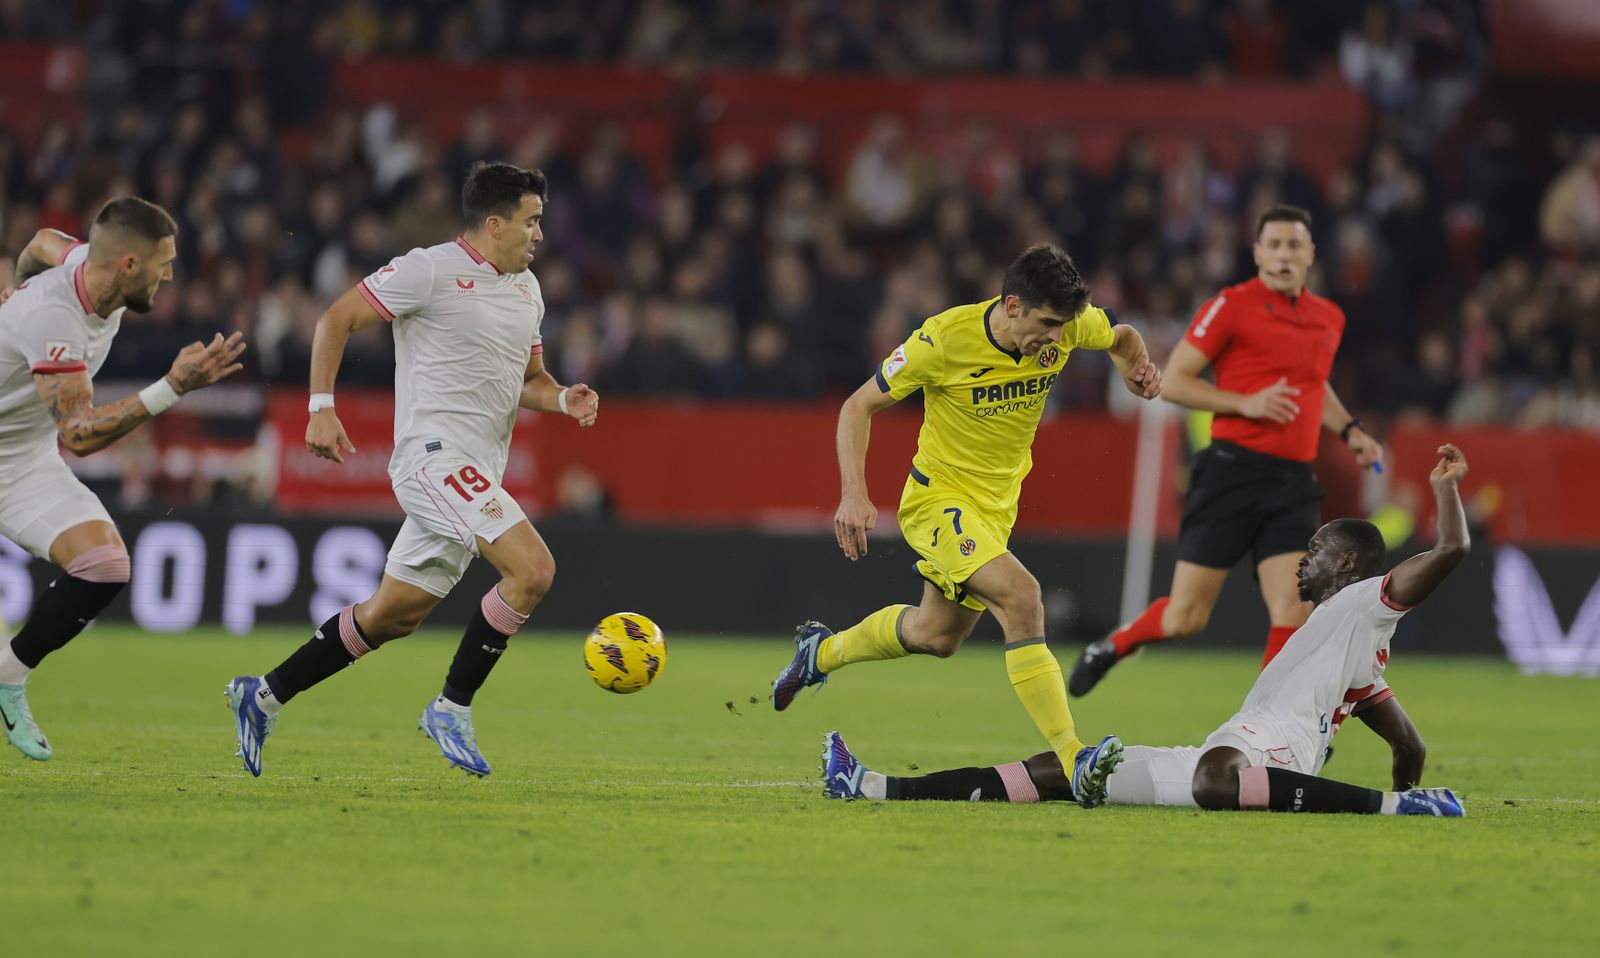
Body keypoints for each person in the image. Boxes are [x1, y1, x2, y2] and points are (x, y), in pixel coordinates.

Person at [821, 444, 1473, 818]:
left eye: (1319, 548)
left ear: (1354, 562)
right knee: (1069, 771)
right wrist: (1411, 789)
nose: (1305, 557)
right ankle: (874, 786)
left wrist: (1445, 489)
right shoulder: (1349, 649)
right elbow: (1407, 744)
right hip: (1229, 750)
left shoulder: (1363, 602)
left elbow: (1449, 553)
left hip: (1266, 757)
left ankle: (1386, 812)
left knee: (1215, 780)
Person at [225, 162, 599, 778]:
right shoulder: (430, 269)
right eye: (531, 222)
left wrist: (562, 399)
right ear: (495, 223)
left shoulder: (527, 290)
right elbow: (335, 319)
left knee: (390, 615)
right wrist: (321, 408)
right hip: (433, 459)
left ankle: (262, 695)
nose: (540, 234)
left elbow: (527, 381)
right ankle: (450, 708)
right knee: (532, 570)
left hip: (478, 472)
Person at [770, 244, 1164, 808]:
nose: (1056, 339)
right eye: (1047, 325)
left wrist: (1134, 369)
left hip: (995, 511)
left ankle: (819, 654)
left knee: (937, 636)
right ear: (1010, 306)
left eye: (1063, 327)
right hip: (938, 502)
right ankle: (1075, 759)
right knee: (1024, 598)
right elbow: (856, 406)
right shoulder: (942, 339)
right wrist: (854, 495)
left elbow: (1122, 336)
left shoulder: (1070, 327)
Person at [1070, 204, 1385, 696]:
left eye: (1293, 245)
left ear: (1310, 254)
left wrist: (1351, 432)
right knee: (1186, 617)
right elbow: (1173, 382)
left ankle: (1267, 727)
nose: (1283, 254)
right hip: (1230, 474)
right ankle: (1114, 645)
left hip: (1292, 482)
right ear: (1258, 252)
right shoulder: (1231, 306)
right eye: (1274, 245)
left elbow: (1314, 385)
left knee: (1295, 611)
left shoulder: (1328, 318)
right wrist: (1248, 402)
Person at [0, 198, 246, 761]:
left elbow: (41, 241)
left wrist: (14, 287)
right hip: (32, 447)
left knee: (104, 566)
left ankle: (6, 677)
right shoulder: (53, 318)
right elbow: (80, 435)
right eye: (165, 263)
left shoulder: (89, 264)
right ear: (130, 266)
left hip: (19, 460)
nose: (170, 275)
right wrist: (172, 388)